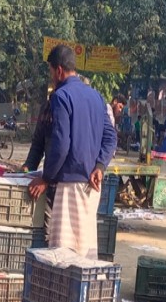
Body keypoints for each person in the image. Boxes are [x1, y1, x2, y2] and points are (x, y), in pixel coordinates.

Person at [28, 44, 117, 259]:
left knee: (63, 252)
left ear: (59, 70)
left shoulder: (61, 96)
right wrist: (100, 166)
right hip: (91, 186)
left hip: (69, 185)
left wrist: (46, 178)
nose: (51, 78)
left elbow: (61, 144)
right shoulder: (96, 97)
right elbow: (111, 137)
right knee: (85, 250)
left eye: (51, 72)